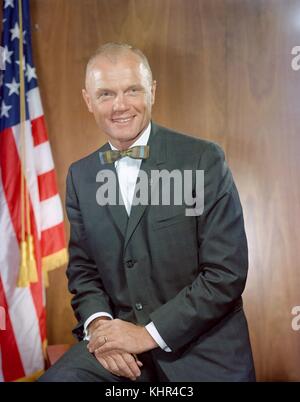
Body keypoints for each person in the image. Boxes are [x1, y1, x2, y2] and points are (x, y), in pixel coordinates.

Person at [39, 43, 256, 382]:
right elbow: (84, 271)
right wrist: (101, 328)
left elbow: (225, 273)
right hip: (119, 352)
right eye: (106, 94)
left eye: (132, 90)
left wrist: (145, 335)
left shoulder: (202, 159)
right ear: (88, 101)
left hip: (202, 352)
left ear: (152, 92)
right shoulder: (81, 176)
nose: (120, 105)